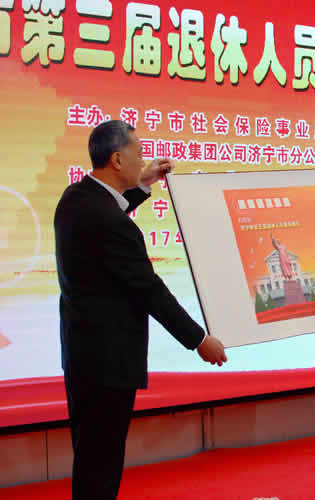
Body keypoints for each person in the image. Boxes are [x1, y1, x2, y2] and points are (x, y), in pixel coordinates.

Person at [54, 120, 228, 500]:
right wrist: (199, 340)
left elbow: (110, 210)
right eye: (139, 153)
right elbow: (151, 292)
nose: (143, 159)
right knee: (102, 466)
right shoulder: (113, 225)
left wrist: (144, 182)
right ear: (117, 160)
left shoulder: (75, 199)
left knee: (91, 458)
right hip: (109, 366)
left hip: (83, 359)